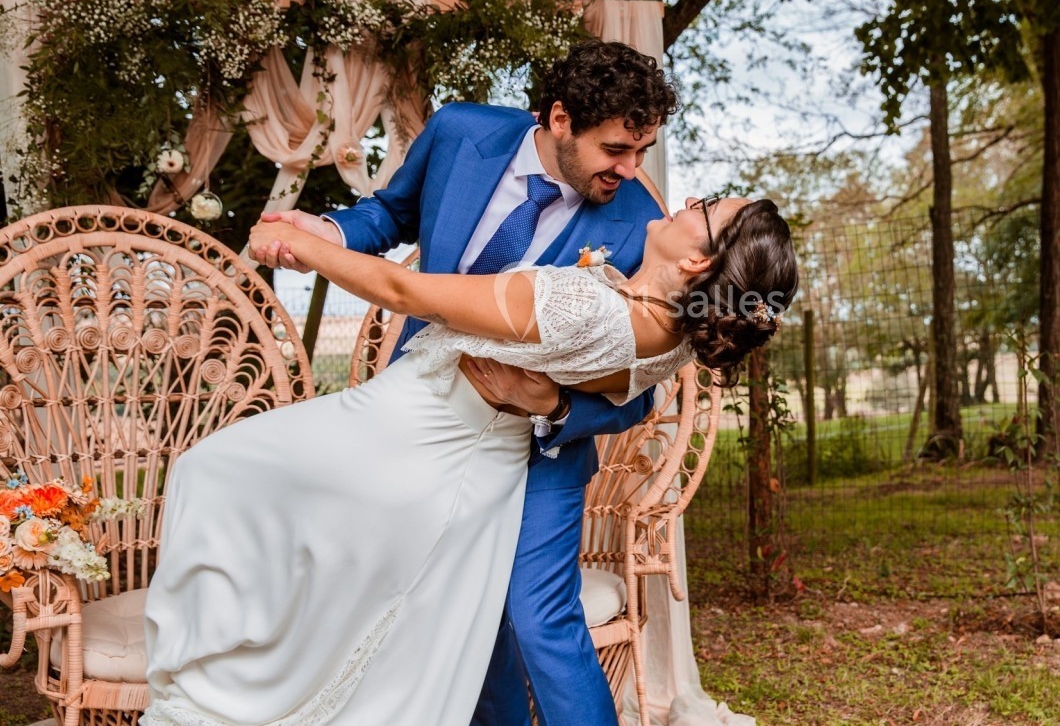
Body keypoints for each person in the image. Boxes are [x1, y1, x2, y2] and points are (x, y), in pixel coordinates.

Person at [141, 194, 799, 726]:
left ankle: (215, 678)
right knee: (388, 624)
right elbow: (604, 384)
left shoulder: (580, 307)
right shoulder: (673, 339)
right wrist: (551, 395)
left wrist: (302, 245)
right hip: (479, 465)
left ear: (694, 263)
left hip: (408, 431)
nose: (687, 199)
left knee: (211, 468)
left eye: (705, 208)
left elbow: (404, 292)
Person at [257, 39, 677, 726]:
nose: (630, 171)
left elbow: (640, 391)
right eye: (616, 151)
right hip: (418, 416)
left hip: (539, 448)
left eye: (641, 150)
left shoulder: (637, 227)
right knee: (444, 603)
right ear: (560, 118)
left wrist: (555, 405)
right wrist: (326, 226)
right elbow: (390, 215)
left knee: (532, 616)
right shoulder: (460, 131)